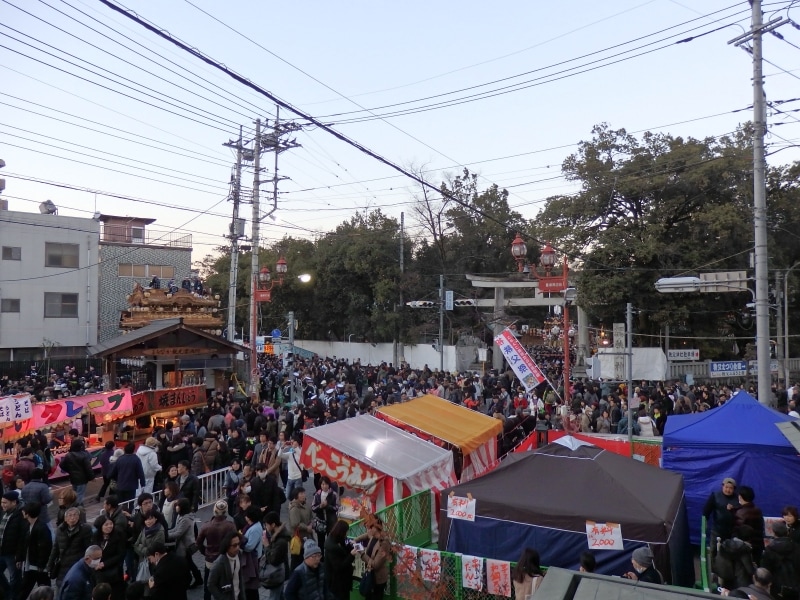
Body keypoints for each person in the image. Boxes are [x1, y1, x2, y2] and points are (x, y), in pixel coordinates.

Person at [197, 501, 237, 600]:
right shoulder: (230, 526)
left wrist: (205, 552)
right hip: (225, 560)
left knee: (208, 585)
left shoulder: (206, 526)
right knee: (224, 586)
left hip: (209, 560)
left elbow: (198, 543)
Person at [48, 507, 93, 591]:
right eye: (70, 515)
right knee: (61, 590)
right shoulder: (59, 530)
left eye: (75, 515)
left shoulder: (85, 529)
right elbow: (55, 549)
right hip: (63, 566)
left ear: (78, 517)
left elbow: (89, 548)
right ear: (65, 518)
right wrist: (49, 565)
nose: (73, 518)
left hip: (78, 565)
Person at [18, 502, 53, 600]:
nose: (22, 512)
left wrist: (41, 565)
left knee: (43, 589)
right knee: (25, 589)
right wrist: (20, 558)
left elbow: (45, 548)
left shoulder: (41, 528)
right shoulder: (28, 525)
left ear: (27, 513)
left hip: (37, 567)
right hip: (30, 565)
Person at [167, 498, 203, 588]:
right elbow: (175, 529)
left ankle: (191, 579)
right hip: (183, 545)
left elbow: (178, 533)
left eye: (178, 505)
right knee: (189, 563)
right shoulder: (181, 516)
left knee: (187, 564)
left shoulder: (186, 519)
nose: (176, 507)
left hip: (185, 546)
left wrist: (165, 535)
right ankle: (197, 579)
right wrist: (166, 532)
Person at [760, 521, 800, 600]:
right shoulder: (796, 547)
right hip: (796, 584)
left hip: (777, 585)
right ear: (787, 532)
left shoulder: (770, 549)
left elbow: (766, 568)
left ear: (774, 533)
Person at [354, 517, 391, 600]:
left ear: (377, 527)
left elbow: (375, 564)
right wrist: (355, 540)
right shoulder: (373, 535)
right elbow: (365, 535)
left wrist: (362, 553)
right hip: (369, 575)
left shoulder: (384, 542)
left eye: (371, 527)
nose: (368, 528)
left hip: (377, 579)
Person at [0, 491, 27, 600]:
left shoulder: (21, 515)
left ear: (14, 502)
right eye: (2, 502)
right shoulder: (5, 513)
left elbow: (22, 538)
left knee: (15, 578)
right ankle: (7, 592)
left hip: (13, 554)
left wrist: (19, 556)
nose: (2, 505)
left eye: (5, 503)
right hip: (2, 551)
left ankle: (15, 597)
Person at [92, 516, 127, 600]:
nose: (109, 526)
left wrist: (105, 564)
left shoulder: (118, 535)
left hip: (114, 572)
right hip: (99, 572)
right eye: (106, 524)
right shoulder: (96, 536)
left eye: (111, 524)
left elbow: (121, 554)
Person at [207, 531, 246, 600]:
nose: (237, 548)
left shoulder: (239, 554)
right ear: (227, 546)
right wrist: (221, 598)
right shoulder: (219, 564)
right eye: (234, 545)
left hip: (238, 595)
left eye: (238, 544)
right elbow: (210, 585)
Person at [261, 512, 291, 600]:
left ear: (273, 525)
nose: (265, 527)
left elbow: (273, 560)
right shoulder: (276, 536)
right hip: (279, 573)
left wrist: (266, 546)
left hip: (277, 573)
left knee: (274, 596)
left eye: (266, 525)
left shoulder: (280, 541)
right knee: (280, 595)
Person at [324, 520, 356, 600]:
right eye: (346, 532)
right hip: (338, 583)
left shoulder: (334, 539)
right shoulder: (333, 547)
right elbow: (339, 566)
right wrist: (351, 555)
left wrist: (350, 545)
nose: (346, 534)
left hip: (340, 582)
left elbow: (343, 549)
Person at [735, 486, 765, 564]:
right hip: (758, 546)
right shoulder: (758, 510)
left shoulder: (740, 513)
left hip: (746, 547)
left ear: (741, 497)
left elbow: (738, 531)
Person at [704, 477, 740, 542]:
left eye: (730, 488)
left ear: (734, 489)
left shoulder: (738, 498)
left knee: (731, 550)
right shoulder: (715, 496)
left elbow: (741, 512)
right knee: (715, 550)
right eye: (726, 487)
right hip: (717, 530)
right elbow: (706, 511)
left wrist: (734, 508)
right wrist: (705, 523)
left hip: (733, 531)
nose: (728, 490)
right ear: (722, 486)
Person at [59, 440, 95, 504]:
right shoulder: (84, 455)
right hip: (82, 478)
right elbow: (88, 468)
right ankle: (77, 507)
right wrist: (92, 477)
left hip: (73, 477)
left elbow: (61, 464)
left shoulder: (68, 455)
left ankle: (74, 505)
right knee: (80, 494)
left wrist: (69, 470)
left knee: (75, 493)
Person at [133, 512, 165, 579]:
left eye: (150, 519)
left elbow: (153, 549)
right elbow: (136, 545)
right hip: (143, 560)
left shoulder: (160, 532)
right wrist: (145, 550)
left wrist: (141, 547)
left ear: (156, 519)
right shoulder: (144, 529)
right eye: (146, 520)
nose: (148, 521)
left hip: (153, 561)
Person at [287, 488, 313, 571]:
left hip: (307, 537)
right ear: (296, 496)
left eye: (304, 493)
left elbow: (311, 517)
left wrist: (311, 524)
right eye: (301, 493)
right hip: (298, 538)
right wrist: (306, 527)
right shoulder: (294, 508)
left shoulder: (305, 505)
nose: (303, 495)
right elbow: (295, 524)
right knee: (296, 561)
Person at [311, 476, 339, 554]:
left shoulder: (333, 494)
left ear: (329, 484)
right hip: (320, 521)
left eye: (326, 484)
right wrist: (320, 506)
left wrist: (327, 506)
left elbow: (336, 507)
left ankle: (329, 557)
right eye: (322, 484)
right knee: (321, 541)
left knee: (331, 540)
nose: (324, 486)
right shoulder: (317, 495)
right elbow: (313, 508)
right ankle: (321, 557)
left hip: (331, 521)